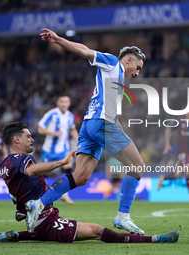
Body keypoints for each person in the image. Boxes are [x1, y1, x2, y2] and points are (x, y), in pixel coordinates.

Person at [0, 122, 179, 244]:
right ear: (16, 139)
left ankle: (17, 235)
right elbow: (30, 170)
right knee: (98, 232)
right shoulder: (23, 159)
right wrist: (60, 161)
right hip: (44, 220)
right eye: (28, 135)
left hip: (43, 219)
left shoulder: (4, 163)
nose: (32, 138)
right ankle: (154, 240)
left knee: (48, 230)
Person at [25, 28, 147, 235]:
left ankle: (38, 204)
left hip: (90, 125)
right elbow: (85, 51)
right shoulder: (112, 63)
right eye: (138, 66)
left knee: (80, 177)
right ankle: (123, 216)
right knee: (137, 165)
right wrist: (58, 40)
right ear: (128, 59)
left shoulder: (117, 80)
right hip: (100, 124)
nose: (137, 72)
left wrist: (119, 129)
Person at [38, 95, 78, 204]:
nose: (64, 104)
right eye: (62, 101)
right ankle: (40, 194)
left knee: (68, 167)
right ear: (57, 103)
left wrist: (79, 141)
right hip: (49, 150)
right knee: (46, 173)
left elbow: (72, 129)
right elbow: (40, 129)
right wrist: (53, 133)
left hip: (63, 149)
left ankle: (64, 194)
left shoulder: (70, 116)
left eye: (66, 101)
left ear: (69, 103)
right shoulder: (51, 114)